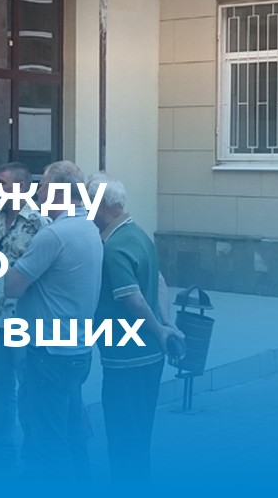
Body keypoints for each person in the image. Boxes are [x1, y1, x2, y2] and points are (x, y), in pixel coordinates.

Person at [3, 160, 102, 481]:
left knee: (48, 442)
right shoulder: (89, 228)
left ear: (58, 191)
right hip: (77, 350)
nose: (38, 193)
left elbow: (11, 286)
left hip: (49, 354)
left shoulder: (54, 235)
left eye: (42, 186)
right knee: (73, 432)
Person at [87, 172, 183, 484]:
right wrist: (166, 325)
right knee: (141, 434)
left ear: (99, 204)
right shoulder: (139, 234)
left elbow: (133, 298)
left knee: (122, 436)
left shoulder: (113, 247)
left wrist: (159, 330)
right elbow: (159, 281)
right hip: (150, 356)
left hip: (125, 358)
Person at [0, 162, 49, 468]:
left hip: (23, 321)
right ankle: (2, 448)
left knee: (28, 387)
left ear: (22, 186)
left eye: (2, 183)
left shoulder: (40, 224)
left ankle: (33, 451)